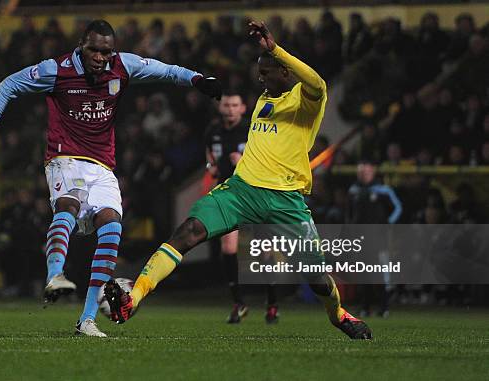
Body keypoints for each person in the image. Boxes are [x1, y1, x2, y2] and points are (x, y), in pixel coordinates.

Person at [105, 21, 372, 340]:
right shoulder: (264, 100)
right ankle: (132, 300)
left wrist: (274, 49)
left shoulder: (305, 100)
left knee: (315, 275)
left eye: (267, 72)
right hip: (242, 190)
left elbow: (317, 83)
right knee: (189, 231)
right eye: (259, 73)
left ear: (285, 72)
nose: (261, 78)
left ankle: (338, 315)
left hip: (285, 198)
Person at [0, 19, 222, 337]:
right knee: (68, 206)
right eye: (94, 50)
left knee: (112, 225)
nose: (101, 58)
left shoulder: (123, 66)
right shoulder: (56, 70)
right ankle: (55, 275)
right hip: (64, 158)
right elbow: (9, 85)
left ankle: (86, 319)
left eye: (106, 52)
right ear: (81, 45)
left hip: (102, 165)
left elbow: (166, 70)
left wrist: (197, 79)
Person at [205, 91, 278, 323]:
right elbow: (209, 155)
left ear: (243, 108)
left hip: (255, 190)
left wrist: (245, 160)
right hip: (228, 193)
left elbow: (269, 156)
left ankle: (272, 303)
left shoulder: (253, 129)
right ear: (221, 107)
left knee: (265, 249)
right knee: (228, 248)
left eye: (235, 105)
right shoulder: (213, 131)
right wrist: (211, 166)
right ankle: (240, 302)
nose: (230, 109)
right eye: (226, 104)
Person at [347, 161, 402, 318]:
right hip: (360, 237)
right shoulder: (354, 190)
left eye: (366, 172)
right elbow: (349, 213)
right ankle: (365, 307)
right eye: (360, 172)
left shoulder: (382, 190)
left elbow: (398, 207)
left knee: (381, 272)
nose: (363, 175)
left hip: (378, 237)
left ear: (372, 172)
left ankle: (384, 307)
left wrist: (389, 223)